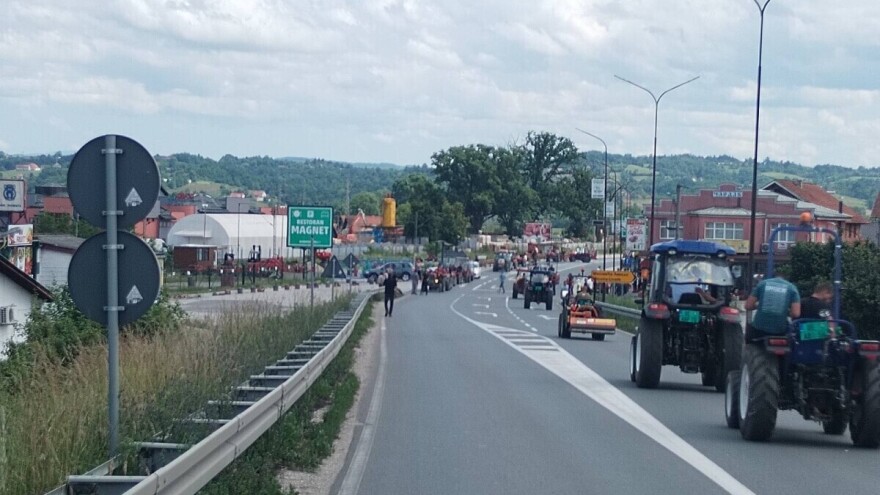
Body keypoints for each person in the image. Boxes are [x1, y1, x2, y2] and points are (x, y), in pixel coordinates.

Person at [745, 272, 801, 339]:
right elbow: (796, 314)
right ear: (786, 279)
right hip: (780, 330)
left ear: (773, 277)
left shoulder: (762, 284)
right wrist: (786, 311)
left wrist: (758, 306)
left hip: (759, 328)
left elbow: (748, 306)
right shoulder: (792, 288)